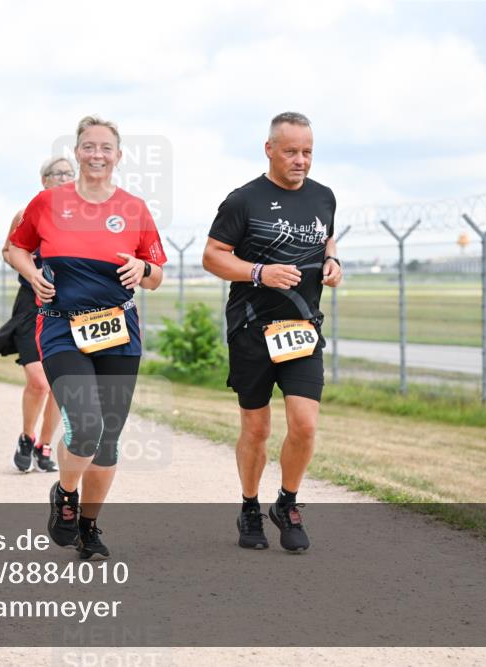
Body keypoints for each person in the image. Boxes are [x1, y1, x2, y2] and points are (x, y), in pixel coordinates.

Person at [8, 116, 167, 560]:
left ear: (118, 155)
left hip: (118, 329)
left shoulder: (134, 208)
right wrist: (32, 272)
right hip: (61, 326)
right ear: (76, 151)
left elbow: (157, 273)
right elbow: (17, 247)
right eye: (88, 146)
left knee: (109, 438)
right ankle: (65, 493)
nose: (97, 154)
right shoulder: (46, 202)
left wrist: (143, 270)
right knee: (87, 425)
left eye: (106, 148)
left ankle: (89, 527)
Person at [202, 111, 343, 553]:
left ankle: (287, 502)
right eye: (291, 152)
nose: (301, 160)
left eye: (307, 152)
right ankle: (249, 506)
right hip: (251, 330)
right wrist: (259, 272)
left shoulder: (324, 197)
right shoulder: (243, 200)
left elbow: (327, 238)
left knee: (304, 425)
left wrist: (334, 261)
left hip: (301, 330)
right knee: (257, 429)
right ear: (269, 150)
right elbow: (212, 256)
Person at [0, 156, 76, 473]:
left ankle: (44, 446)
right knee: (39, 381)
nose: (64, 178)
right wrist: (32, 271)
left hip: (68, 308)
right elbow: (9, 250)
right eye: (57, 174)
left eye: (69, 174)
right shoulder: (27, 214)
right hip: (32, 305)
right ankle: (26, 436)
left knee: (61, 383)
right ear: (44, 180)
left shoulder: (82, 219)